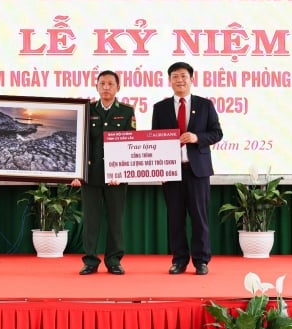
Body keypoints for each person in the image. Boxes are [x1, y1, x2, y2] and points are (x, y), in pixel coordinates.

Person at [151, 61, 223, 276]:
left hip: (197, 170)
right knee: (175, 218)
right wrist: (160, 170)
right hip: (172, 172)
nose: (179, 80)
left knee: (200, 218)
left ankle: (201, 261)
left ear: (192, 79)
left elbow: (217, 133)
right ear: (169, 81)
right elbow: (155, 141)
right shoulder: (160, 108)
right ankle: (179, 261)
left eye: (183, 76)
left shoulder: (205, 105)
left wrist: (197, 137)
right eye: (175, 76)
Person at [73, 70, 135, 275]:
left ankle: (114, 260)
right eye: (102, 83)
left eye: (110, 84)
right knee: (91, 219)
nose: (106, 87)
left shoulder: (127, 111)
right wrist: (77, 172)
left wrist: (122, 172)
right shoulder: (86, 109)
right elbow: (79, 144)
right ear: (96, 86)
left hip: (116, 177)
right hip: (91, 174)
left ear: (118, 87)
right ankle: (90, 261)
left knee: (115, 220)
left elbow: (131, 144)